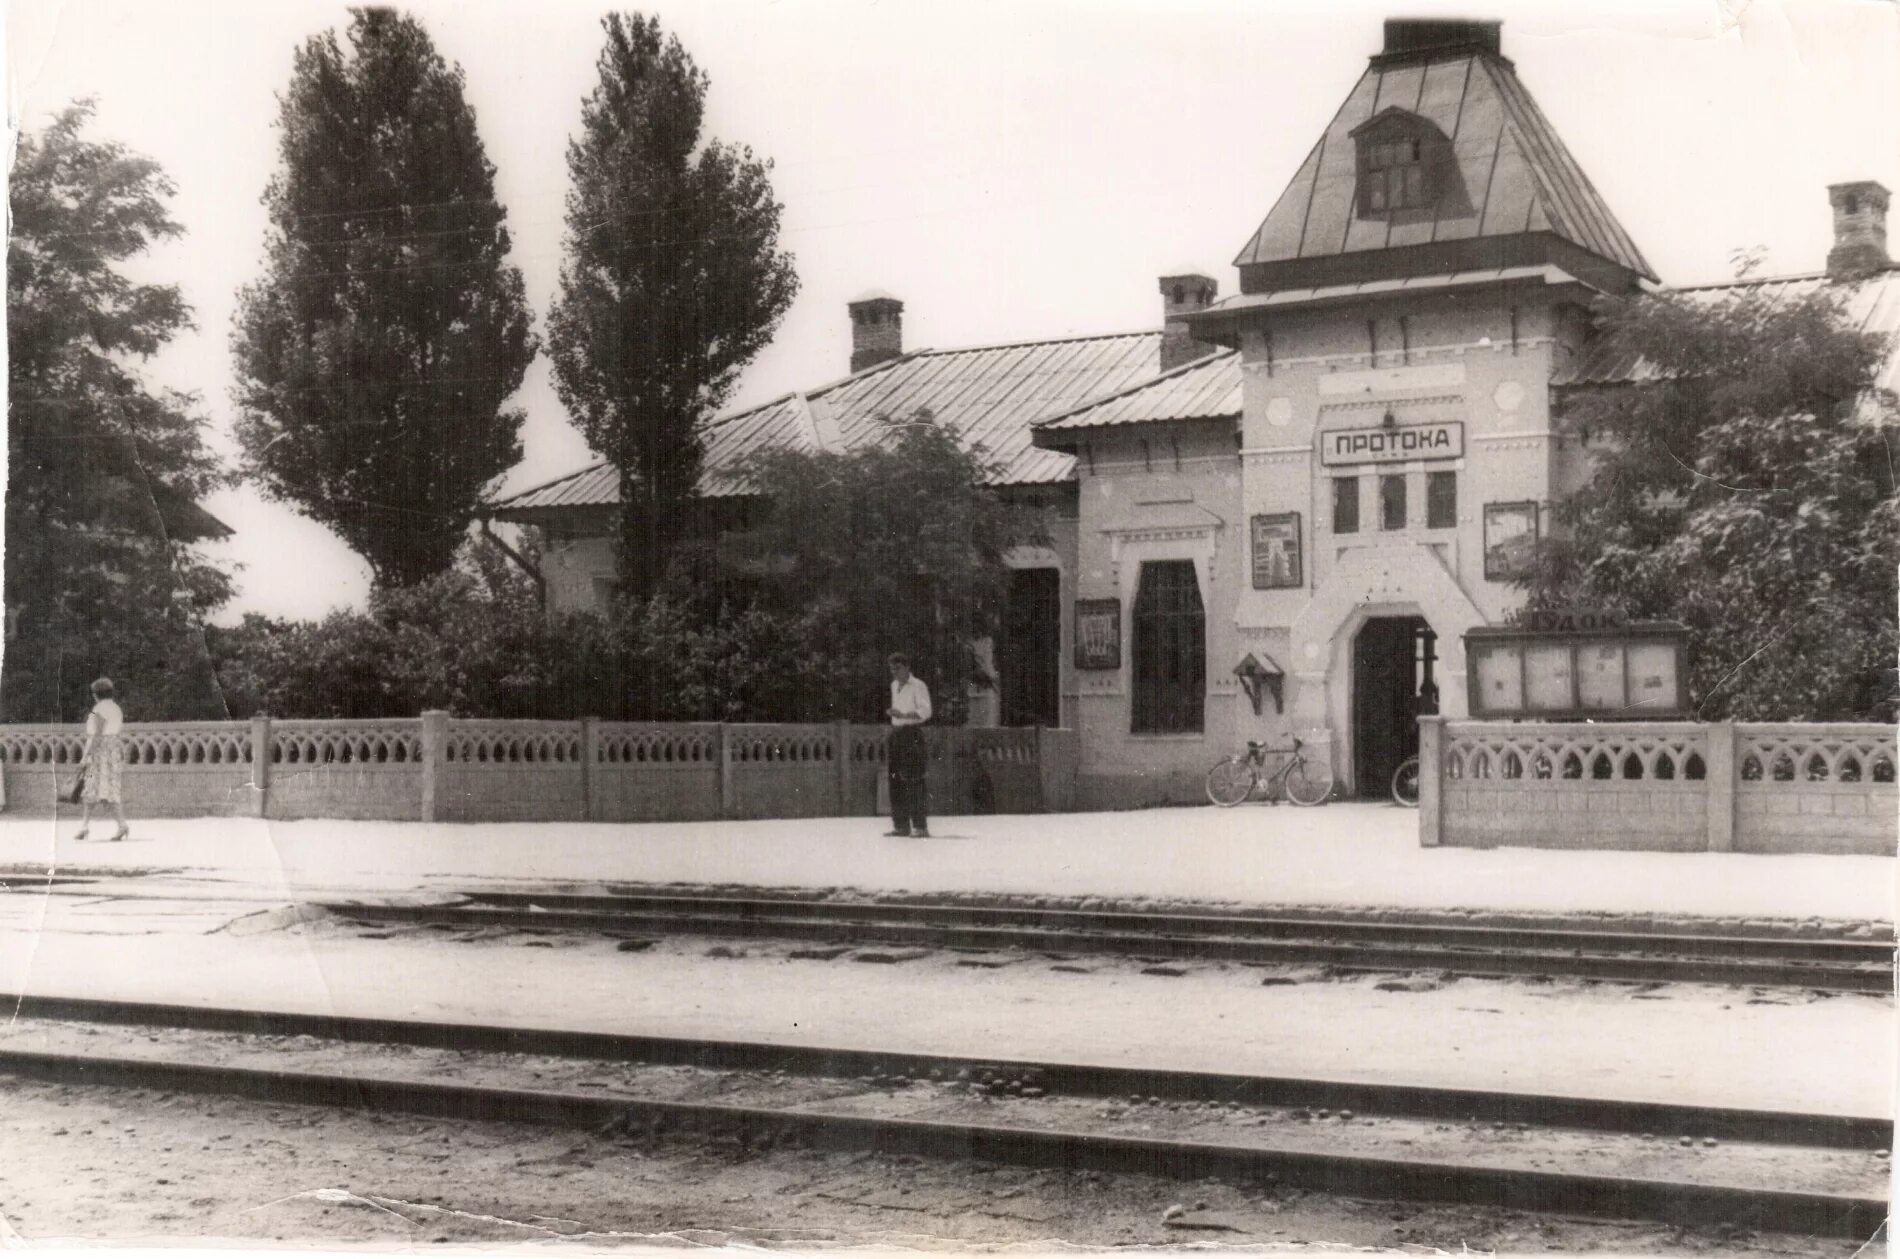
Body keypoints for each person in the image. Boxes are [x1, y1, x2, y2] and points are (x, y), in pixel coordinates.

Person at [75, 677, 128, 842]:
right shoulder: (116, 708)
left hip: (98, 753)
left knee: (93, 786)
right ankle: (86, 826)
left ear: (95, 694)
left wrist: (85, 756)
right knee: (108, 787)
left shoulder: (99, 709)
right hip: (112, 750)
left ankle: (119, 825)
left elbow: (96, 734)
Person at [885, 653, 932, 838]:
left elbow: (925, 711)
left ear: (906, 667)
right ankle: (901, 825)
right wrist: (895, 715)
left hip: (911, 734)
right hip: (897, 734)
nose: (894, 673)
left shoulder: (918, 686)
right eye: (892, 669)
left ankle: (920, 826)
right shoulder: (894, 686)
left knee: (914, 780)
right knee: (895, 780)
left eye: (897, 668)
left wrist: (903, 715)